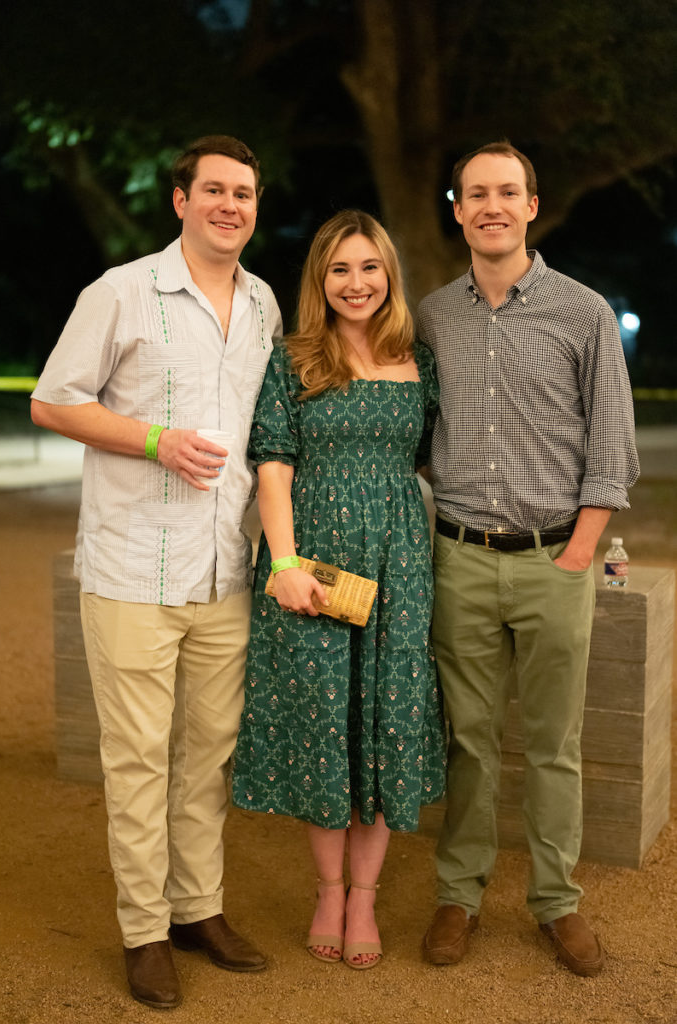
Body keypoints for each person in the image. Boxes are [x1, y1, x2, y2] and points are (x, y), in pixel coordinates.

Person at [30, 135, 282, 1009]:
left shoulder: (263, 305)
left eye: (243, 194)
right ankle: (144, 930)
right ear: (180, 200)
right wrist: (152, 439)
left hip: (224, 573)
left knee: (207, 759)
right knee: (138, 759)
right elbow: (52, 398)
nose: (230, 206)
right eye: (213, 189)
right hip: (133, 569)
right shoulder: (123, 291)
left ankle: (197, 910)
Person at [418, 141, 639, 977]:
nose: (492, 206)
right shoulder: (434, 316)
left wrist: (579, 555)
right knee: (468, 743)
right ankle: (459, 894)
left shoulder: (583, 313)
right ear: (459, 209)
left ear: (532, 206)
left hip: (557, 561)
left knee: (553, 743)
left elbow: (612, 450)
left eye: (507, 192)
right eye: (476, 194)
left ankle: (556, 902)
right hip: (461, 560)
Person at [232, 210, 446, 970]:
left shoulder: (420, 360)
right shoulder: (294, 360)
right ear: (320, 281)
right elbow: (273, 464)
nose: (356, 284)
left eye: (369, 268)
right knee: (323, 719)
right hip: (312, 564)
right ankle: (329, 889)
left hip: (397, 566)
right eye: (339, 271)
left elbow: (432, 462)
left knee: (385, 718)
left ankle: (366, 896)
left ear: (389, 275)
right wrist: (284, 563)